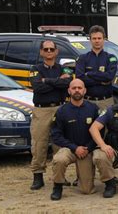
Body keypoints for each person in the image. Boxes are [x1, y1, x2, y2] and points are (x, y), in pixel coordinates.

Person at [29, 40, 72, 190]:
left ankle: (59, 177)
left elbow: (66, 85)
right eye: (45, 49)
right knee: (39, 144)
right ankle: (38, 176)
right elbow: (37, 87)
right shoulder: (35, 68)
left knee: (59, 144)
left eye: (51, 49)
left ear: (56, 51)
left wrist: (46, 80)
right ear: (41, 52)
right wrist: (56, 82)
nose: (48, 52)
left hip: (60, 109)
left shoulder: (63, 69)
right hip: (41, 111)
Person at [49, 79, 100, 200]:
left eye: (79, 88)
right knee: (59, 159)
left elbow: (101, 133)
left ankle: (85, 180)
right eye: (74, 88)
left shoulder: (93, 109)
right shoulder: (61, 111)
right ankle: (57, 186)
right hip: (69, 149)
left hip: (87, 150)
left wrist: (88, 148)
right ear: (69, 91)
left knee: (86, 190)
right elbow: (56, 136)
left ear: (84, 90)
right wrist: (74, 148)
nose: (77, 90)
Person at [76, 25, 118, 111]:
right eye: (94, 38)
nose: (97, 41)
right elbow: (80, 78)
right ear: (90, 40)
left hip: (106, 102)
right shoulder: (82, 58)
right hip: (87, 101)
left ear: (104, 39)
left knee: (107, 124)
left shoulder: (111, 58)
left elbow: (109, 77)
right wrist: (102, 81)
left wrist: (89, 74)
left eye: (99, 38)